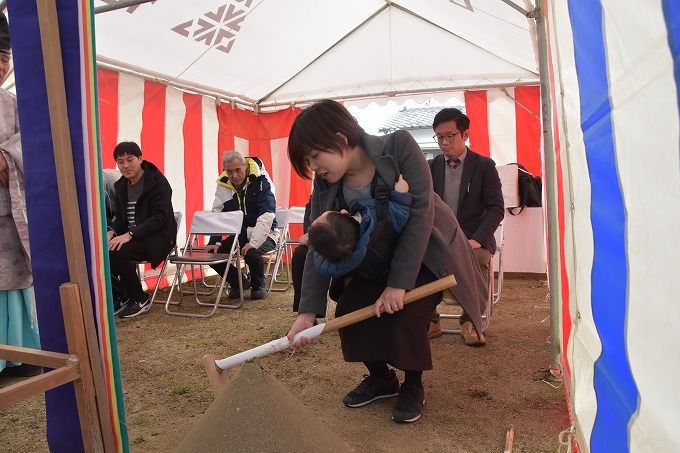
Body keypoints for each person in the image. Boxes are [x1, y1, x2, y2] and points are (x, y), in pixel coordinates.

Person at [286, 100, 487, 424]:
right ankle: (381, 379)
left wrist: (397, 285)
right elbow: (318, 242)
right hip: (373, 260)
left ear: (338, 140)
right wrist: (307, 313)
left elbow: (420, 217)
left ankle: (412, 384)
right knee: (351, 311)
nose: (314, 168)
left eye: (314, 157)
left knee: (405, 315)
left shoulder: (399, 148)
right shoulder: (325, 181)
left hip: (421, 255)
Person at [428, 108, 504, 345]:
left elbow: (496, 208)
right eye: (439, 137)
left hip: (473, 237)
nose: (444, 142)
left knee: (478, 257)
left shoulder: (484, 166)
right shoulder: (431, 167)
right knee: (418, 257)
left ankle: (470, 320)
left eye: (450, 136)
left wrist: (479, 238)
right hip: (440, 237)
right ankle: (431, 320)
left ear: (466, 134)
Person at [0, 12, 41, 377]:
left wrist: (6, 158)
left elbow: (28, 142)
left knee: (15, 278)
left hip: (8, 207)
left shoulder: (14, 103)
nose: (0, 66)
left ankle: (23, 351)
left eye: (3, 60)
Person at [107, 141, 177, 318]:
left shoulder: (157, 182)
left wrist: (130, 234)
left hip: (158, 238)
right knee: (103, 249)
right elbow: (121, 218)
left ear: (140, 158)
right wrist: (111, 232)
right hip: (135, 238)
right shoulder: (121, 185)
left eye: (130, 160)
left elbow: (160, 218)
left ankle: (140, 298)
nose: (125, 165)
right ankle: (124, 295)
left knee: (117, 252)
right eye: (120, 162)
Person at [206, 151, 278, 300]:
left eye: (237, 170)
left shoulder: (262, 181)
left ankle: (259, 284)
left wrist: (254, 243)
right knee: (213, 255)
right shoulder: (223, 184)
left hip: (267, 233)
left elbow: (267, 215)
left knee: (251, 253)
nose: (233, 175)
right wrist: (214, 241)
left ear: (245, 166)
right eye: (229, 171)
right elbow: (217, 215)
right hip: (241, 236)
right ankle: (239, 282)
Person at [307, 175, 412, 277]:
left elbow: (324, 254)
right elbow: (399, 213)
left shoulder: (339, 261)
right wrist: (401, 194)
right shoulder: (376, 220)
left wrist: (317, 241)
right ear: (343, 213)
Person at [291, 201, 311, 313]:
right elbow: (309, 229)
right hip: (319, 241)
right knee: (300, 253)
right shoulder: (318, 194)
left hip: (344, 240)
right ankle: (304, 309)